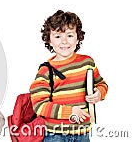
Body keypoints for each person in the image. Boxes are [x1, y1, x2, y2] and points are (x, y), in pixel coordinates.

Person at [30, 10, 108, 142]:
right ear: (49, 40)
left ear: (78, 37)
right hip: (55, 135)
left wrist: (99, 93)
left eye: (70, 35)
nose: (64, 41)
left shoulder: (87, 63)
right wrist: (70, 112)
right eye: (58, 36)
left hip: (83, 133)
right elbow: (39, 105)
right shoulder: (45, 70)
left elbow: (101, 84)